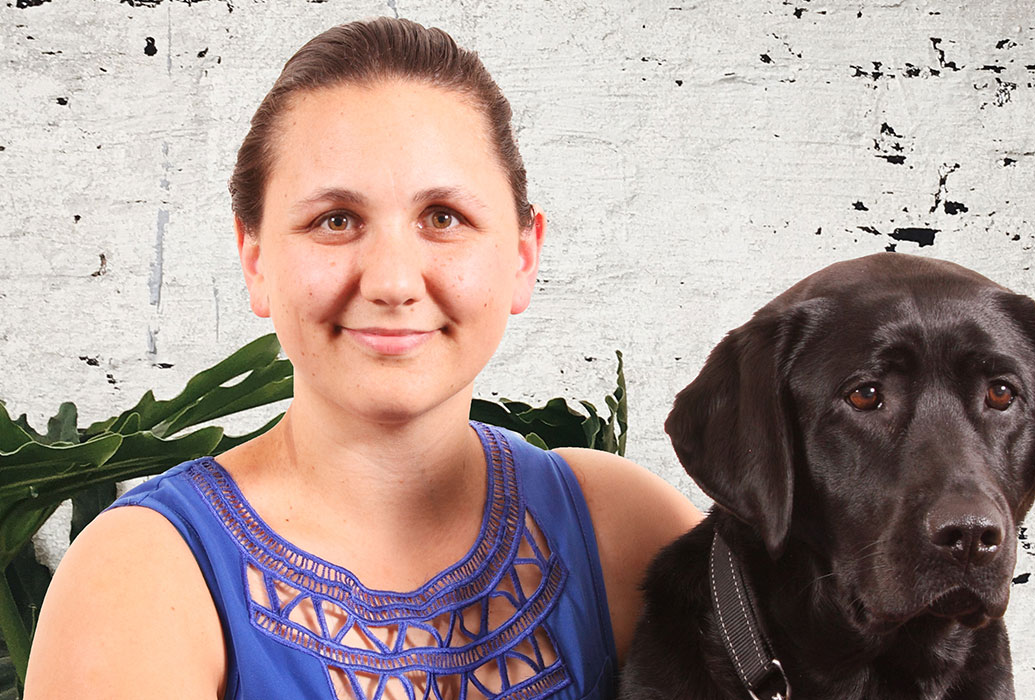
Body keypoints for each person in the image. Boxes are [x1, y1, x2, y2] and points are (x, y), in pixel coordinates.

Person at [24, 17, 700, 700]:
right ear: (255, 260)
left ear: (524, 255)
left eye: (442, 217)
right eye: (336, 220)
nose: (392, 283)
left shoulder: (626, 529)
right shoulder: (144, 576)